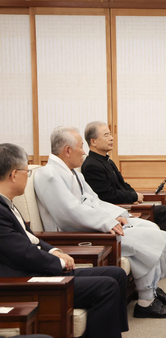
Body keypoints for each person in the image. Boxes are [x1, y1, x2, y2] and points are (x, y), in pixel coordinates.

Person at [33, 127, 166, 319]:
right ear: (67, 150)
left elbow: (94, 201)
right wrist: (106, 223)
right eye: (81, 147)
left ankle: (152, 290)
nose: (85, 152)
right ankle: (146, 300)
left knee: (151, 227)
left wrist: (118, 215)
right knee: (149, 236)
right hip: (75, 234)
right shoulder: (49, 175)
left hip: (91, 225)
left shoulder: (73, 173)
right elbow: (70, 213)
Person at [0, 143, 128, 337]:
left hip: (37, 267)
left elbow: (31, 237)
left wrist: (54, 251)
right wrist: (58, 262)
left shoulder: (7, 203)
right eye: (27, 171)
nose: (28, 176)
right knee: (107, 287)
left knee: (116, 274)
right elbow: (22, 252)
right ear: (14, 174)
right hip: (25, 280)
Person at [81, 121, 166, 275]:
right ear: (93, 142)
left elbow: (123, 185)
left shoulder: (107, 160)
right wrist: (133, 196)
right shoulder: (91, 165)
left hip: (126, 204)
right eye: (106, 135)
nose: (111, 138)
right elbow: (105, 196)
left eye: (110, 134)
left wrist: (134, 195)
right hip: (116, 211)